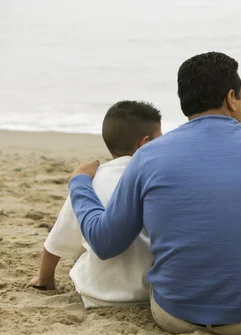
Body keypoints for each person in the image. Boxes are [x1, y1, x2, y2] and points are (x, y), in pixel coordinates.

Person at [67, 52, 241, 335]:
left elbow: (105, 241)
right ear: (231, 98)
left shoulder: (148, 156)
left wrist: (80, 184)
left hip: (172, 314)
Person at [26, 101, 162, 308]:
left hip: (98, 297)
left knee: (81, 235)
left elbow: (56, 242)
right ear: (144, 143)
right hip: (151, 295)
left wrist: (44, 278)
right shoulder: (159, 178)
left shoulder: (90, 180)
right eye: (159, 138)